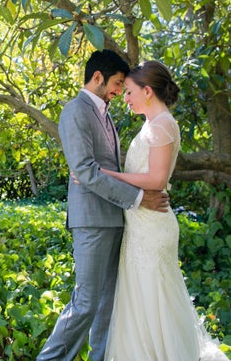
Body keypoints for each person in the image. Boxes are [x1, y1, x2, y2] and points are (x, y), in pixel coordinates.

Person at [37, 50, 170, 361]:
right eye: (116, 83)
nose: (119, 90)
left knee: (107, 303)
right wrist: (139, 198)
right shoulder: (75, 111)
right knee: (85, 301)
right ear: (97, 77)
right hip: (92, 220)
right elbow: (84, 170)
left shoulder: (105, 114)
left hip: (115, 219)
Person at [101, 60, 231, 361]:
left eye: (130, 92)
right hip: (140, 226)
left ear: (148, 91)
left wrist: (110, 175)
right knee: (140, 301)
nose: (126, 97)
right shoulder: (152, 124)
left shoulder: (162, 125)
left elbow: (157, 180)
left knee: (154, 299)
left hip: (153, 228)